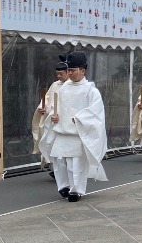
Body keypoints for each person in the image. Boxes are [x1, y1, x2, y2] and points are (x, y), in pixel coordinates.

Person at [39, 52, 107, 202]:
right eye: (68, 70)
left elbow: (96, 113)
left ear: (83, 70)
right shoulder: (63, 88)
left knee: (75, 164)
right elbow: (57, 108)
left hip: (77, 133)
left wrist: (80, 119)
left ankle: (76, 190)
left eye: (73, 70)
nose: (69, 73)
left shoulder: (91, 90)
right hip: (62, 131)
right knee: (58, 161)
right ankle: (63, 186)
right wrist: (54, 115)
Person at [32, 54, 69, 170]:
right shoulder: (55, 85)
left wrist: (62, 116)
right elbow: (47, 98)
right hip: (52, 121)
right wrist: (43, 108)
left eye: (61, 74)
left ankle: (65, 170)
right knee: (51, 144)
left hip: (65, 122)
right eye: (57, 74)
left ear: (68, 72)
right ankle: (54, 168)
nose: (58, 76)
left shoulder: (73, 86)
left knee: (64, 147)